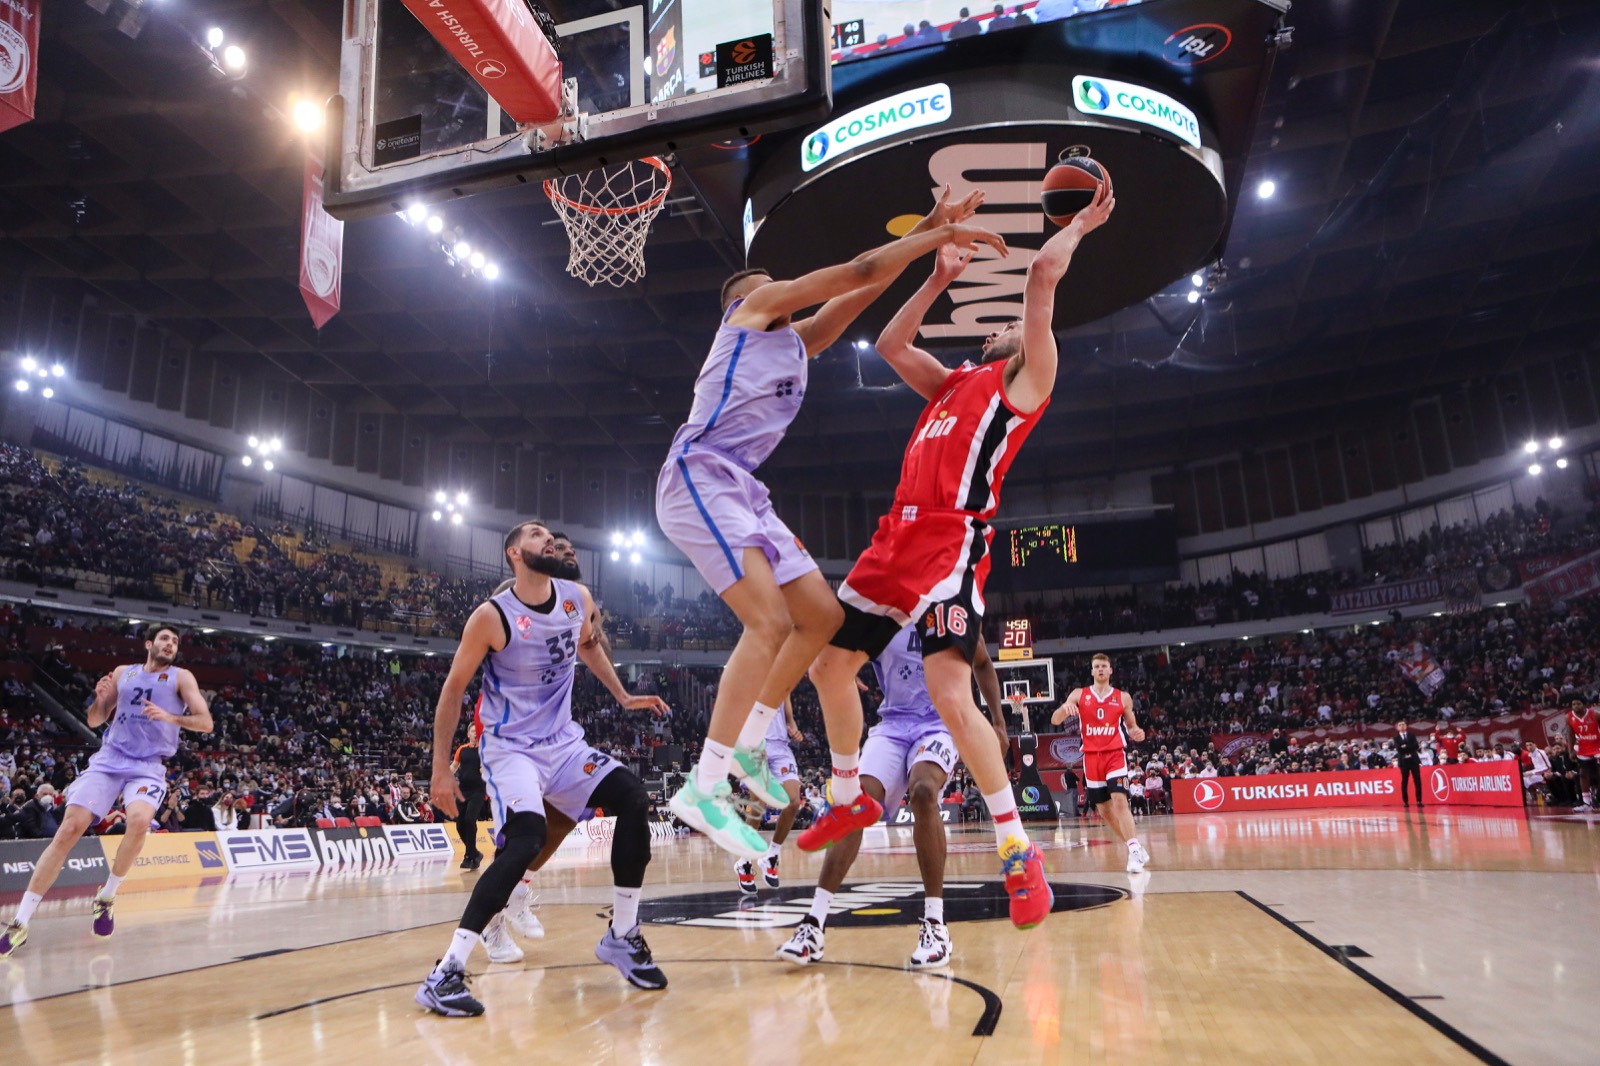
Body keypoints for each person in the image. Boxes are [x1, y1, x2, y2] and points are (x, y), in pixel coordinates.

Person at [655, 187, 1005, 861]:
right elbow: (860, 271)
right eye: (776, 289)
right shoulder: (751, 313)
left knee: (821, 619)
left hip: (744, 489)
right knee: (770, 623)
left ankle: (753, 739)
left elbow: (860, 298)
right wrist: (936, 235)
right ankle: (704, 788)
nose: (788, 298)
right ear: (747, 300)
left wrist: (932, 223)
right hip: (699, 472)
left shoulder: (796, 341)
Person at [805, 179, 1115, 930]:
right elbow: (888, 344)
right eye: (1003, 324)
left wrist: (1082, 226)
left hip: (949, 541)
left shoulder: (1025, 386)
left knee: (950, 693)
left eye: (1018, 325)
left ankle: (1017, 849)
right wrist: (937, 275)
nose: (1008, 326)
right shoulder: (951, 384)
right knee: (828, 667)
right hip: (893, 540)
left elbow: (1041, 277)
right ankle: (848, 800)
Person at [415, 520, 671, 1017]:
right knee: (527, 838)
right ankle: (446, 971)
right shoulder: (491, 617)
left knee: (635, 800)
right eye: (534, 535)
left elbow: (589, 644)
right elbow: (452, 691)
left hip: (563, 744)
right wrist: (440, 769)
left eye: (548, 534)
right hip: (510, 749)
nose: (547, 538)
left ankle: (623, 935)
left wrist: (623, 695)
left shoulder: (576, 596)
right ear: (513, 554)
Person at [779, 624, 1004, 968]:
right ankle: (813, 924)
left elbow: (983, 663)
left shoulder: (950, 606)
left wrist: (999, 723)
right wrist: (840, 668)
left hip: (941, 723)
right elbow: (833, 645)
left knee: (925, 791)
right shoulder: (885, 613)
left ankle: (935, 923)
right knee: (856, 802)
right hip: (893, 725)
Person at [1, 624, 212, 958]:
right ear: (149, 644)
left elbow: (206, 722)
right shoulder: (122, 673)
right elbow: (96, 720)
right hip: (110, 758)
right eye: (165, 639)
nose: (171, 644)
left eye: (175, 641)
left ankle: (106, 897)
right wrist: (100, 702)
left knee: (140, 820)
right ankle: (20, 922)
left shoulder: (181, 677)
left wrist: (170, 717)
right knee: (69, 828)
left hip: (148, 765)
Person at [1051, 653, 1149, 874]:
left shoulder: (1123, 697)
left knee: (1120, 801)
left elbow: (1132, 726)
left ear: (1110, 670)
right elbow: (1055, 720)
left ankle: (1133, 852)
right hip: (1091, 757)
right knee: (1104, 809)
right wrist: (1064, 709)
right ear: (1092, 671)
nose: (1101, 669)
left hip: (1115, 754)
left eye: (1104, 666)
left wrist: (1137, 732)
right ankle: (1134, 846)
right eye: (1097, 666)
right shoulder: (1079, 694)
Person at [735, 697, 806, 893]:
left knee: (793, 802)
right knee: (759, 805)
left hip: (780, 747)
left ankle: (771, 856)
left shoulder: (783, 678)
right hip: (754, 747)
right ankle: (745, 861)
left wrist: (793, 728)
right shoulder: (748, 677)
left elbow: (789, 718)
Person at [453, 739, 487, 870]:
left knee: (469, 819)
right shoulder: (462, 749)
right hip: (463, 790)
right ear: (468, 734)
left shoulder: (484, 749)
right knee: (459, 824)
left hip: (478, 790)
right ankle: (474, 853)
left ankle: (469, 855)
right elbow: (454, 766)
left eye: (476, 731)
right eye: (472, 731)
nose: (474, 733)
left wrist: (485, 769)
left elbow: (491, 765)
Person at [1566, 698, 1598, 810]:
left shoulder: (1595, 714)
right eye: (1573, 704)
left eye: (1578, 704)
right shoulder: (1569, 717)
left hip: (1597, 746)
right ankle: (1586, 803)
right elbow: (1570, 735)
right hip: (1584, 747)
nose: (1575, 706)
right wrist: (1571, 750)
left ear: (1585, 705)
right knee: (1583, 774)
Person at [1394, 720, 1422, 806]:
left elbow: (1416, 746)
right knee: (1405, 781)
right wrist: (1409, 746)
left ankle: (1419, 800)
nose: (1402, 726)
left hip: (1413, 760)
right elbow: (1399, 748)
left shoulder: (1411, 735)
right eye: (1400, 725)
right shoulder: (1396, 738)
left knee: (1417, 780)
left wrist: (1405, 746)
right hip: (1403, 761)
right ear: (1397, 728)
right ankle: (1405, 801)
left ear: (1406, 726)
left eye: (1403, 724)